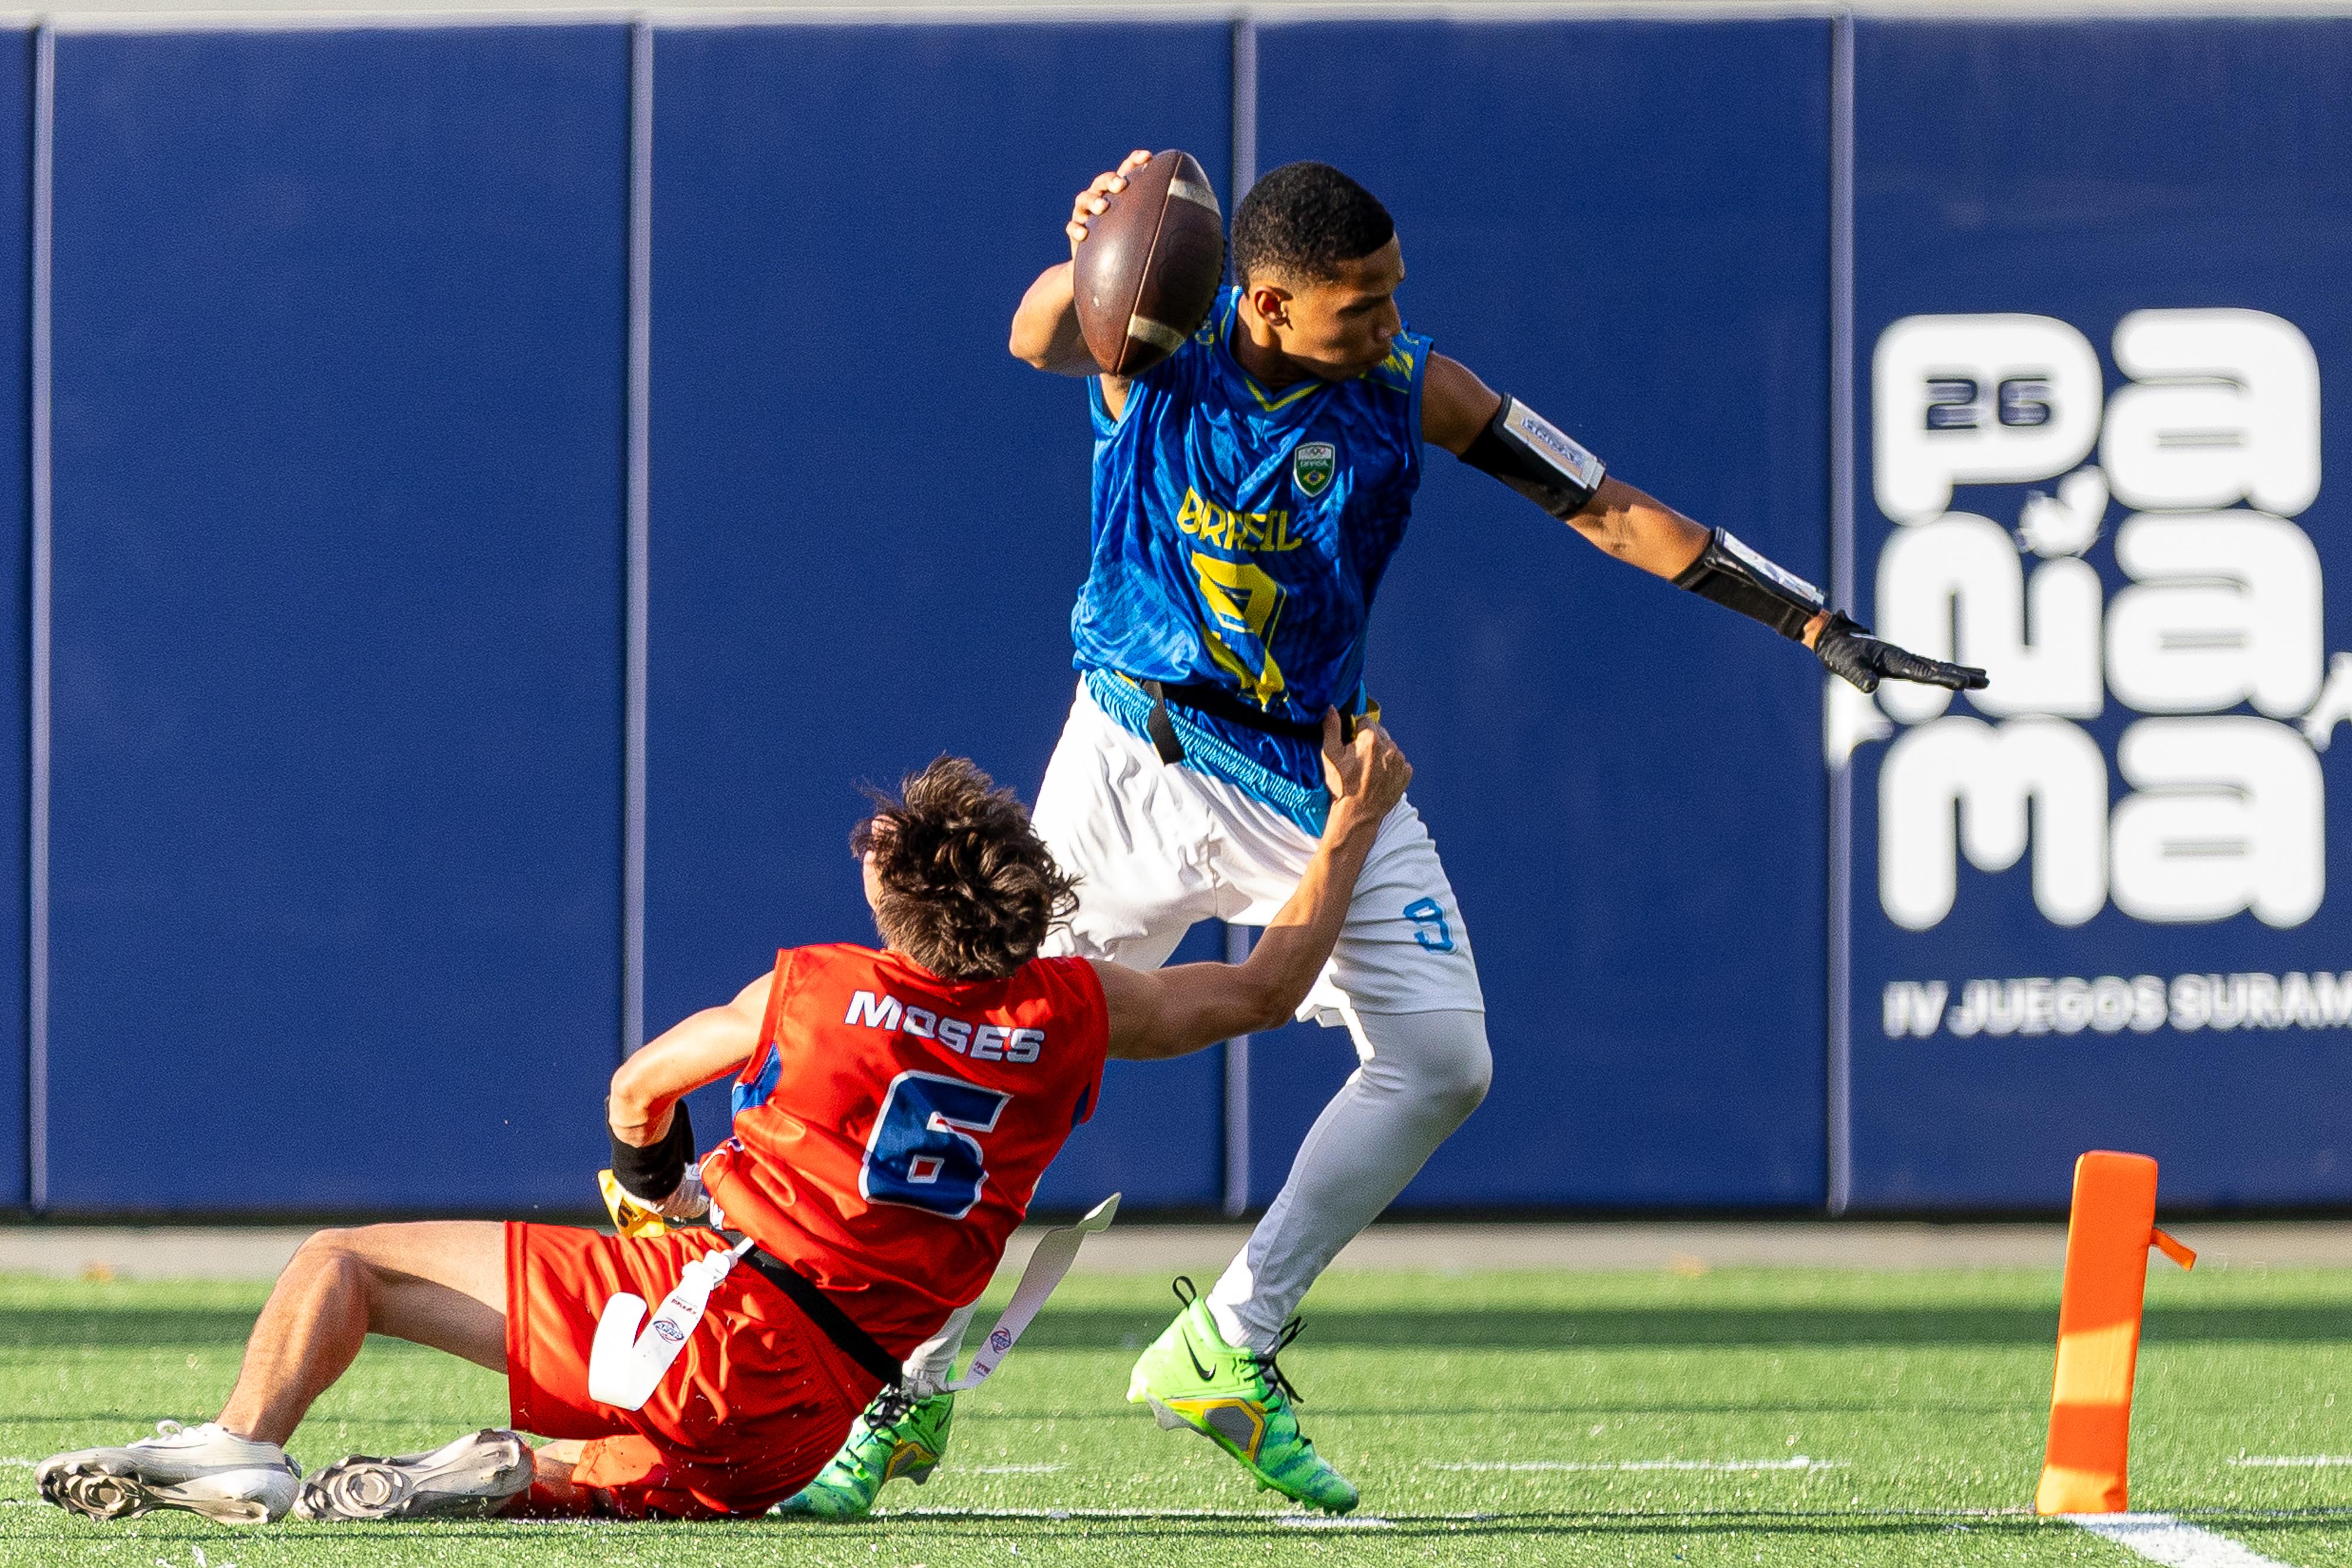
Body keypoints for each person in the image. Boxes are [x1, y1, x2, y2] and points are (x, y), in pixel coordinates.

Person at [790, 155, 1988, 1519]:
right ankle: (899, 1396)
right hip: (1123, 759)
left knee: (1441, 1059)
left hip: (1316, 776)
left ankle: (1225, 1339)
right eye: (1356, 305)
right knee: (1003, 1070)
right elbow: (1036, 333)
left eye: (1390, 294)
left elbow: (1599, 503)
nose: (1386, 323)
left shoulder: (1414, 386)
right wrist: (1091, 251)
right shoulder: (1158, 356)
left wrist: (1810, 619)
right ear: (1264, 302)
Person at [35, 723, 1413, 1525]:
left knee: (337, 1261)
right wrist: (1346, 826)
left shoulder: (814, 988)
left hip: (712, 1311)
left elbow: (638, 1090)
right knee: (643, 1455)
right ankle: (506, 1471)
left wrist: (652, 1199)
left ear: (894, 898)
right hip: (814, 1421)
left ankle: (244, 1439)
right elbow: (1265, 982)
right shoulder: (1076, 1006)